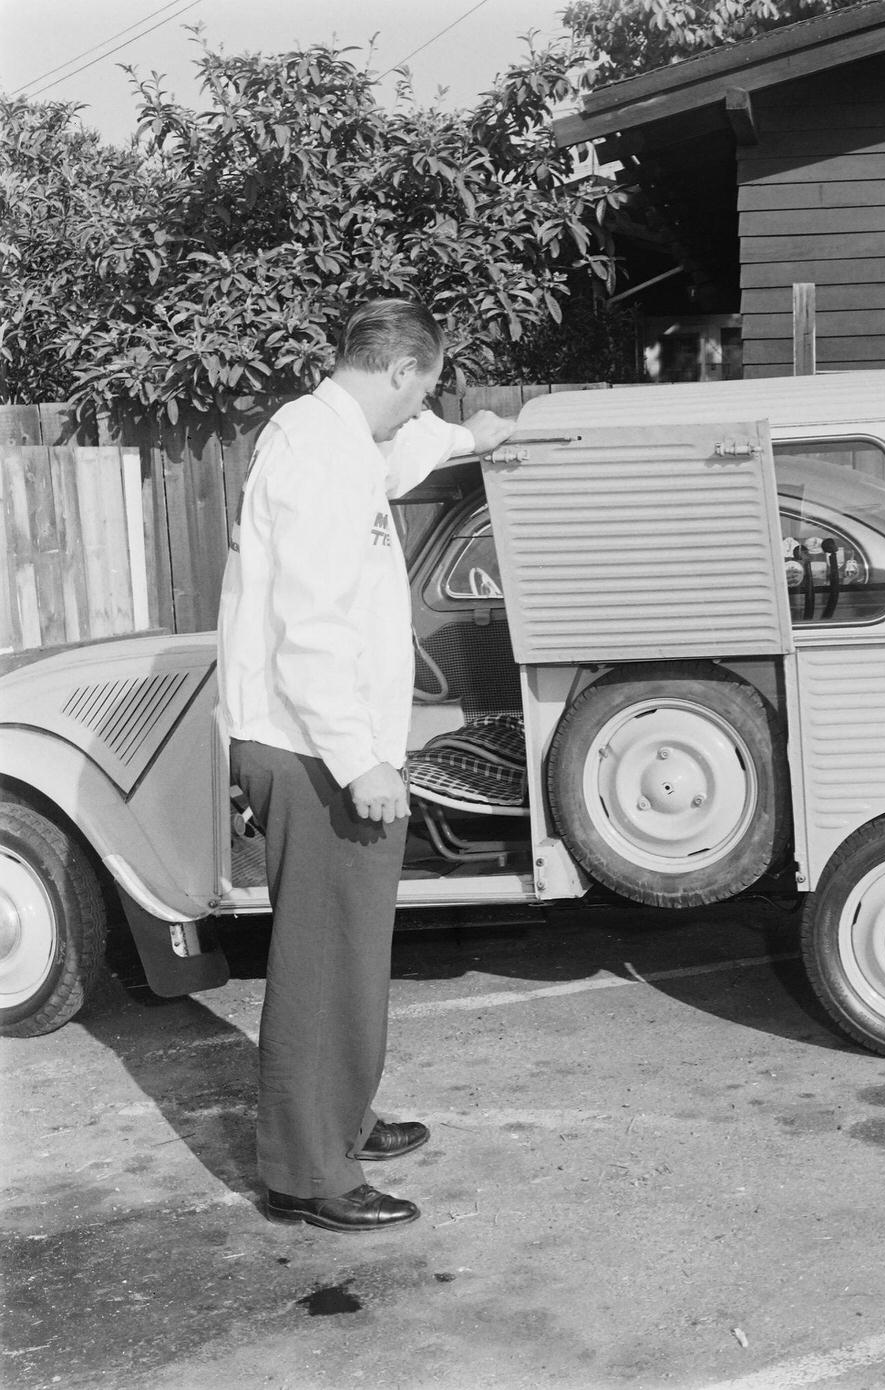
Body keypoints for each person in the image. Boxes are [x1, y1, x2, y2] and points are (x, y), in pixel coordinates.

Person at [217, 298, 515, 1234]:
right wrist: (359, 763)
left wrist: (468, 434)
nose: (418, 408)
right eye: (422, 390)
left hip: (327, 745)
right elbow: (307, 630)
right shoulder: (316, 455)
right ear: (399, 371)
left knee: (352, 951)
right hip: (315, 749)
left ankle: (343, 1115)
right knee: (323, 959)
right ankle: (308, 1174)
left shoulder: (343, 442)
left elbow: (400, 454)